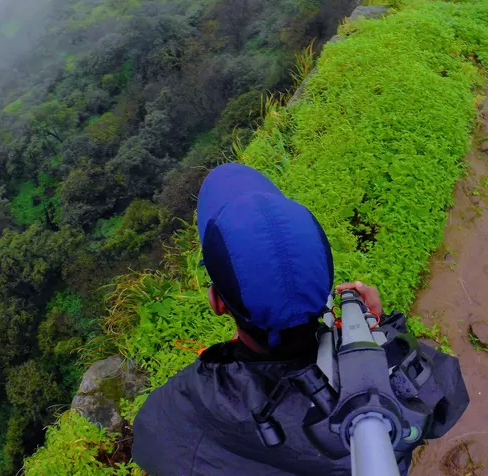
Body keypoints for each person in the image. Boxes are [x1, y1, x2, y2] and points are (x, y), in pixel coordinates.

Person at [131, 163, 469, 476]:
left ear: (217, 301)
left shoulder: (174, 413)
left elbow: (153, 448)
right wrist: (381, 333)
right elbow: (444, 398)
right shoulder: (384, 379)